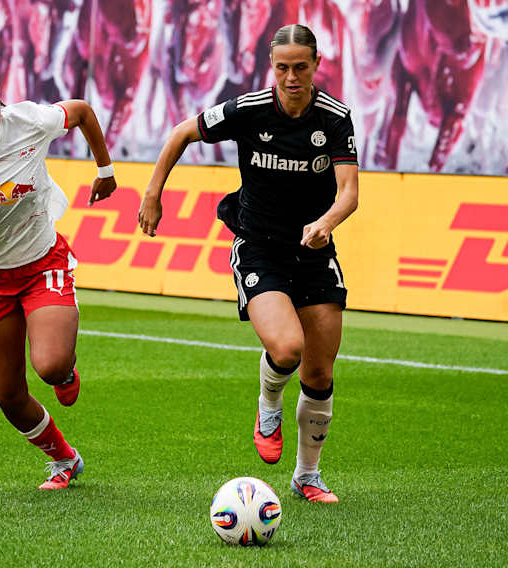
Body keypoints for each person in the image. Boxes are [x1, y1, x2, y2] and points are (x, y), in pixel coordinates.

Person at [138, 25, 358, 503]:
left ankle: (307, 476)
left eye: (301, 67)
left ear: (316, 65)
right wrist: (153, 193)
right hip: (259, 247)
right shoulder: (247, 109)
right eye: (283, 67)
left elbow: (349, 194)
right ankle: (268, 403)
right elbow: (182, 133)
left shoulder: (335, 118)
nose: (292, 77)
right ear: (272, 67)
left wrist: (326, 222)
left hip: (315, 251)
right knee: (286, 349)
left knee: (320, 374)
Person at [0, 56, 117, 490]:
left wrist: (105, 170)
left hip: (41, 262)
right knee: (8, 395)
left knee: (49, 366)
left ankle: (66, 372)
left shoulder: (28, 120)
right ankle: (64, 460)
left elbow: (84, 112)